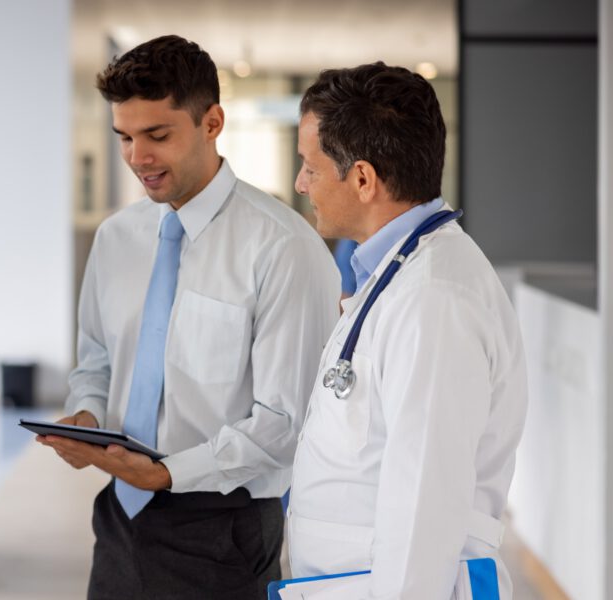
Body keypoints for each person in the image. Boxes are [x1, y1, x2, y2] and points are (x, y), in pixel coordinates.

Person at [37, 35, 339, 599]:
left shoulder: (282, 247)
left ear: (212, 122)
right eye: (124, 137)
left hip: (223, 529)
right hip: (120, 516)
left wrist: (170, 474)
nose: (136, 158)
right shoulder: (116, 239)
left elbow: (284, 423)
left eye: (157, 135)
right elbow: (98, 359)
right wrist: (85, 413)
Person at [288, 62, 528, 598]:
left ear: (363, 179)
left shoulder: (434, 300)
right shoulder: (402, 276)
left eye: (310, 167)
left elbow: (426, 500)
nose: (301, 183)